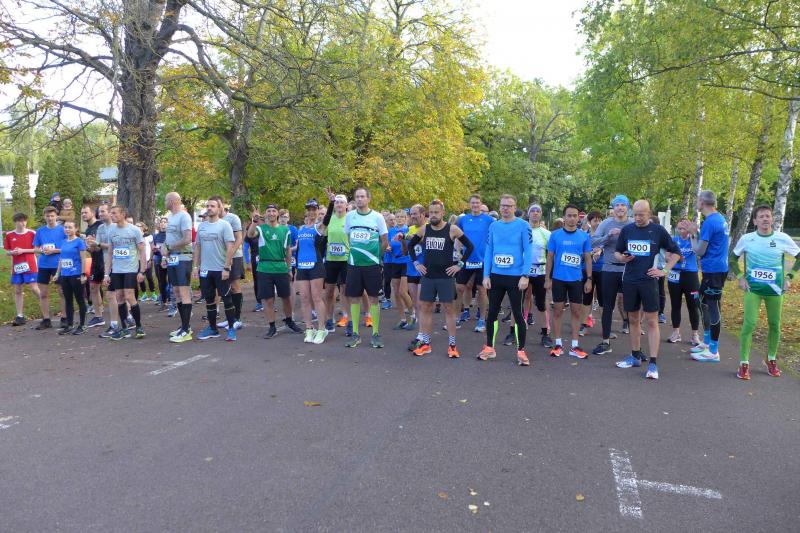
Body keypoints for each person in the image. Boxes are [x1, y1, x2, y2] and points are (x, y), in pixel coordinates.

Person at [730, 205, 800, 379]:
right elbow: (732, 259)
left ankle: (771, 359)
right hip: (753, 290)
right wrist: (740, 277)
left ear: (772, 219)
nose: (765, 219)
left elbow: (799, 257)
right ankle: (744, 363)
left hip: (775, 291)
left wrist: (789, 277)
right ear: (755, 221)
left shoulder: (782, 238)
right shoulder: (747, 239)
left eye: (768, 216)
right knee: (749, 324)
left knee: (775, 325)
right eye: (761, 216)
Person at [613, 200, 680, 380]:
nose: (637, 218)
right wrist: (622, 258)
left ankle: (653, 363)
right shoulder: (627, 230)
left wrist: (664, 270)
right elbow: (617, 252)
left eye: (641, 215)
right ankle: (635, 355)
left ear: (649, 214)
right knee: (633, 319)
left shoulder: (658, 231)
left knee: (651, 321)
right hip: (630, 280)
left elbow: (676, 252)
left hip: (649, 281)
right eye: (635, 215)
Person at [407, 199, 473, 357]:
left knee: (449, 309)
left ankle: (452, 346)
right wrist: (416, 263)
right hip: (428, 276)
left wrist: (460, 265)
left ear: (443, 213)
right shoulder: (424, 229)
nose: (433, 215)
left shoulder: (452, 229)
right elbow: (410, 246)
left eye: (436, 212)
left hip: (446, 277)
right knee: (425, 308)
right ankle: (426, 344)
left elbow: (470, 246)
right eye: (431, 212)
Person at [477, 194, 532, 366]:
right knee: (492, 312)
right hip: (496, 276)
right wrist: (486, 275)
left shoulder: (523, 225)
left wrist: (525, 275)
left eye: (509, 205)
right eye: (503, 205)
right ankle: (489, 348)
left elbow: (528, 251)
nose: (506, 208)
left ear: (515, 207)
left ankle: (521, 351)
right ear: (500, 207)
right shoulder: (494, 226)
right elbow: (489, 251)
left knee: (517, 313)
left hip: (516, 277)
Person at [685, 191, 730, 363]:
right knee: (703, 302)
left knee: (713, 307)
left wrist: (692, 234)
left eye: (697, 200)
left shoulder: (710, 222)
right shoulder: (718, 218)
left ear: (702, 202)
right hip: (714, 269)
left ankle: (713, 351)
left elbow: (699, 251)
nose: (697, 203)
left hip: (714, 271)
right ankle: (707, 342)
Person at [247, 204, 303, 338]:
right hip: (264, 268)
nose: (271, 213)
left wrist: (289, 268)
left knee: (286, 297)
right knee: (268, 299)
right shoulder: (261, 228)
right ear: (265, 213)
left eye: (273, 211)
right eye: (269, 211)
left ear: (277, 213)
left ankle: (289, 320)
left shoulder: (285, 230)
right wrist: (254, 221)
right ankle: (272, 326)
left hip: (281, 267)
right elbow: (250, 234)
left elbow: (288, 250)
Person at [343, 187, 389, 349]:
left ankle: (375, 333)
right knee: (354, 298)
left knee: (374, 298)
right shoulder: (350, 216)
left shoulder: (377, 217)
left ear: (368, 199)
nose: (359, 199)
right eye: (357, 197)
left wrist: (376, 257)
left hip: (372, 265)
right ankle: (355, 334)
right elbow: (348, 236)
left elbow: (385, 241)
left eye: (362, 196)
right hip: (354, 264)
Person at [545, 204, 593, 359]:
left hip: (576, 280)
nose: (572, 218)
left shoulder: (584, 236)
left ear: (578, 218)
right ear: (564, 217)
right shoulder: (555, 235)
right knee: (558, 311)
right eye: (569, 215)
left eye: (575, 216)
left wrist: (589, 279)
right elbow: (550, 257)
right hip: (558, 279)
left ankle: (575, 345)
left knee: (576, 311)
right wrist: (547, 278)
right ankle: (558, 344)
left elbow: (588, 259)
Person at [591, 195, 632, 355]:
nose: (620, 208)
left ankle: (636, 348)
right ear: (613, 208)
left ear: (627, 208)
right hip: (609, 270)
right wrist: (608, 236)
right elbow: (592, 242)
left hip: (629, 270)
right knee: (607, 307)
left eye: (623, 205)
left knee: (633, 308)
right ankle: (605, 342)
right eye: (617, 205)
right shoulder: (606, 224)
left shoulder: (632, 224)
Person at [193, 196, 238, 342]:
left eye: (212, 206)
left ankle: (231, 329)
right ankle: (213, 328)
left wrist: (226, 267)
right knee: (209, 299)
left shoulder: (225, 225)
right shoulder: (202, 226)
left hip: (221, 269)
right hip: (205, 270)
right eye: (208, 206)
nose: (209, 208)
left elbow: (230, 248)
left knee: (227, 298)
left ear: (219, 209)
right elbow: (197, 247)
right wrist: (195, 266)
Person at [103, 205, 147, 340]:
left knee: (129, 295)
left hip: (131, 269)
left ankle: (139, 327)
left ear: (123, 214)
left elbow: (142, 251)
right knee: (119, 297)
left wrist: (142, 271)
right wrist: (106, 274)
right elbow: (110, 253)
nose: (112, 215)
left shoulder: (134, 230)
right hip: (117, 270)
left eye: (114, 213)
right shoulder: (111, 231)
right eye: (111, 213)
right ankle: (124, 329)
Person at [455, 194, 494, 333]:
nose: (475, 205)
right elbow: (457, 236)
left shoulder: (489, 220)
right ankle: (457, 317)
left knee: (482, 290)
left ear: (481, 204)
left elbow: (494, 236)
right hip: (466, 259)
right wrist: (458, 251)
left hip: (482, 260)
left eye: (477, 203)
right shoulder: (463, 219)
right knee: (460, 288)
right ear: (469, 204)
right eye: (473, 203)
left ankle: (482, 319)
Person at [295, 199, 329, 344]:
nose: (311, 212)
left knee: (317, 298)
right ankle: (309, 328)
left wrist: (331, 202)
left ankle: (322, 329)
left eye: (314, 209)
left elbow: (327, 220)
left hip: (316, 265)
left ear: (317, 211)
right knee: (304, 298)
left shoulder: (319, 227)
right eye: (309, 209)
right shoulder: (301, 228)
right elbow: (299, 248)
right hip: (302, 267)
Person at [163, 192, 195, 343]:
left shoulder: (184, 216)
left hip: (183, 257)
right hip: (172, 258)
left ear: (173, 201)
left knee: (183, 292)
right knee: (176, 292)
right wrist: (165, 252)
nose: (164, 202)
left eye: (166, 200)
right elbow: (170, 239)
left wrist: (169, 247)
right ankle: (184, 326)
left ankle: (186, 330)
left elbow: (187, 238)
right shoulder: (170, 217)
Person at [666, 219, 701, 345]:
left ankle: (695, 335)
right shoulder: (673, 240)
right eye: (679, 228)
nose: (681, 231)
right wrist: (676, 258)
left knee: (693, 305)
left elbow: (700, 250)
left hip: (690, 275)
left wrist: (695, 232)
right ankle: (676, 332)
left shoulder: (694, 239)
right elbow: (667, 256)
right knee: (675, 304)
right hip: (674, 275)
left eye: (684, 228)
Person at [321, 191, 351, 333]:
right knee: (329, 291)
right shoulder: (330, 219)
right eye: (337, 202)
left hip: (345, 260)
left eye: (341, 202)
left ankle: (348, 319)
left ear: (346, 205)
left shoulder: (350, 219)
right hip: (331, 260)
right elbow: (322, 234)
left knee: (345, 291)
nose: (339, 205)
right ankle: (329, 319)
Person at [523, 203, 553, 347]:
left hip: (540, 271)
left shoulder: (546, 234)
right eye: (533, 210)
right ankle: (517, 328)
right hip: (523, 271)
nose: (535, 213)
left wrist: (549, 277)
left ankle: (545, 333)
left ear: (541, 214)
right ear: (528, 214)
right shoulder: (522, 230)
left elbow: (551, 256)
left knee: (541, 303)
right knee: (520, 300)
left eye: (538, 211)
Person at [33, 206, 66, 330]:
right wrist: (42, 250)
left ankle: (64, 318)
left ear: (56, 216)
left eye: (52, 216)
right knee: (43, 293)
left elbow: (68, 247)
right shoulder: (40, 231)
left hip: (59, 264)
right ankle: (46, 320)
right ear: (44, 217)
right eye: (48, 216)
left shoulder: (63, 230)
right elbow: (36, 249)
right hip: (44, 265)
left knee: (62, 292)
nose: (50, 218)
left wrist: (54, 250)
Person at [4, 212, 41, 326]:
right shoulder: (9, 235)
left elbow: (38, 250)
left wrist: (23, 250)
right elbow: (7, 251)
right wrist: (12, 252)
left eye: (24, 220)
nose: (23, 223)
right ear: (15, 222)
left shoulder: (32, 233)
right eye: (20, 221)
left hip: (30, 264)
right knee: (18, 290)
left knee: (34, 288)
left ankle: (45, 306)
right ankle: (19, 315)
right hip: (17, 266)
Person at [54, 220, 88, 334]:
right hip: (65, 275)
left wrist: (83, 274)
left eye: (70, 227)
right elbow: (61, 259)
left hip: (76, 274)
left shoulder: (79, 242)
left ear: (76, 229)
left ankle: (82, 325)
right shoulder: (63, 242)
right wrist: (57, 273)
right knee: (68, 300)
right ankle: (69, 325)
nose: (67, 229)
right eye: (65, 227)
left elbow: (83, 259)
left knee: (79, 299)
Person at [219, 205, 245, 330]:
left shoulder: (232, 218)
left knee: (235, 286)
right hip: (220, 257)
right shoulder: (212, 220)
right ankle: (229, 318)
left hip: (235, 256)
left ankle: (237, 318)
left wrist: (230, 255)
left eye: (216, 204)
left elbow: (239, 239)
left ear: (222, 205)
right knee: (225, 288)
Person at [405, 204, 427, 351]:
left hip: (424, 269)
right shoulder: (410, 229)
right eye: (411, 214)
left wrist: (414, 238)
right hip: (411, 269)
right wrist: (403, 240)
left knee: (422, 303)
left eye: (415, 213)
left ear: (422, 214)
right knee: (416, 304)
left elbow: (427, 244)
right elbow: (406, 250)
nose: (412, 216)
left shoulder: (428, 228)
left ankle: (422, 334)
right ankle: (422, 332)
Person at [81, 205, 107, 328]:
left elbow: (106, 243)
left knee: (114, 292)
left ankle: (126, 316)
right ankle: (98, 316)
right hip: (95, 261)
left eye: (86, 212)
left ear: (92, 213)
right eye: (82, 213)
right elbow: (92, 249)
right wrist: (87, 247)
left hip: (106, 261)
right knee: (93, 288)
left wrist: (96, 243)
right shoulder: (88, 230)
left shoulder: (101, 226)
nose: (83, 215)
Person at [388, 209, 414, 329]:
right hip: (395, 262)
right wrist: (388, 248)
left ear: (406, 218)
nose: (399, 219)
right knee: (396, 293)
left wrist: (403, 239)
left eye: (401, 217)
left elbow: (409, 247)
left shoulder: (408, 230)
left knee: (403, 291)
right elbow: (389, 245)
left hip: (406, 262)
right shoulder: (391, 231)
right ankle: (403, 319)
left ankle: (413, 315)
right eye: (397, 217)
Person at [581, 210, 604, 336]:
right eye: (595, 220)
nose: (598, 223)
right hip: (587, 270)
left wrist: (601, 251)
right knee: (586, 298)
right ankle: (584, 325)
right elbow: (580, 252)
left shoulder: (605, 235)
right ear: (590, 222)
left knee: (603, 299)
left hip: (602, 270)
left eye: (600, 220)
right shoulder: (585, 236)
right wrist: (590, 253)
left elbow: (611, 248)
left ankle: (605, 328)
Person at [152, 216, 171, 309]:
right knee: (161, 281)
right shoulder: (155, 236)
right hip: (159, 260)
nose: (163, 223)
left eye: (165, 222)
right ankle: (164, 301)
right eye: (161, 222)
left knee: (171, 280)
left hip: (170, 260)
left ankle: (171, 299)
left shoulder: (170, 235)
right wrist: (155, 250)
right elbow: (154, 249)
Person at [136, 222, 157, 301]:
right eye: (136, 226)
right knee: (140, 278)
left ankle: (153, 293)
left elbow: (152, 248)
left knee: (149, 277)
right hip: (138, 260)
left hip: (148, 259)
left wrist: (151, 259)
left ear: (143, 227)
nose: (137, 227)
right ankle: (144, 294)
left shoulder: (149, 236)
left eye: (138, 226)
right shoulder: (135, 237)